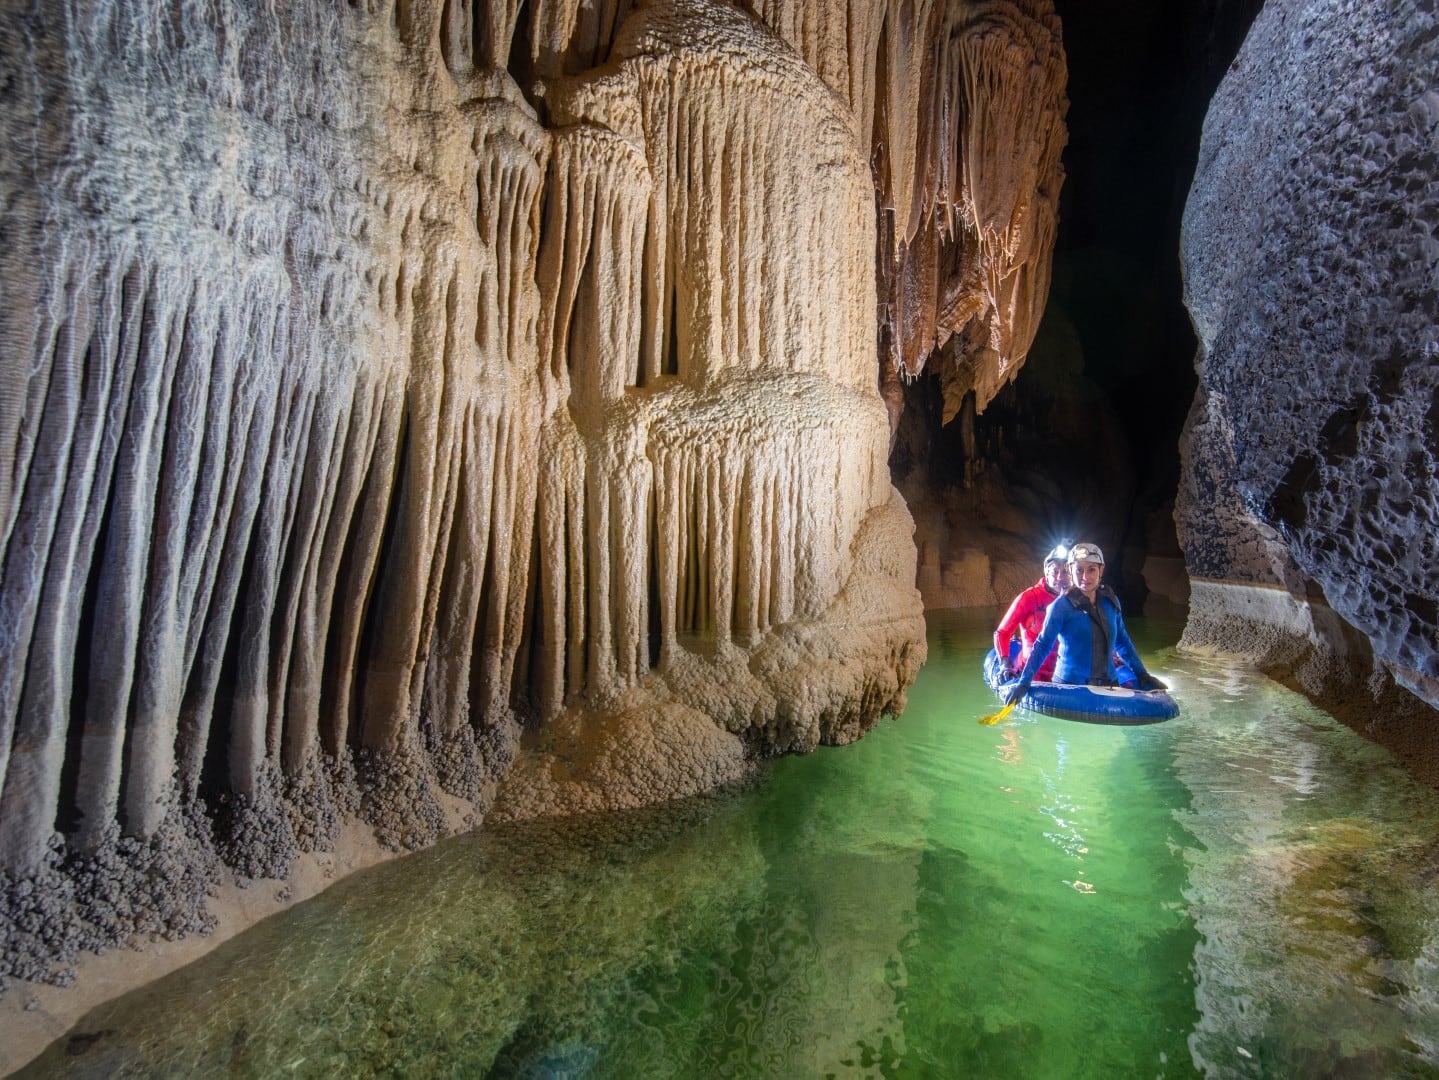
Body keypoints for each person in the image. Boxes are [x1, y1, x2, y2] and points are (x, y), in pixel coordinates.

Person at [1004, 541, 1167, 706]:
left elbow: (1122, 641)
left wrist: (1143, 675)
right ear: (1071, 570)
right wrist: (1024, 683)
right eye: (1079, 570)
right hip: (1071, 689)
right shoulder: (1060, 606)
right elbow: (1043, 645)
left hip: (1109, 685)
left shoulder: (1111, 602)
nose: (1085, 577)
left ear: (1101, 570)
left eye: (1091, 569)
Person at [993, 542, 1073, 681]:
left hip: (1068, 672)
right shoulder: (1029, 597)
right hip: (1034, 673)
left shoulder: (1079, 599)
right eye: (1055, 571)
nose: (1060, 577)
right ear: (1046, 573)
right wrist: (1005, 665)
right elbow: (1002, 633)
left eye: (1065, 572)